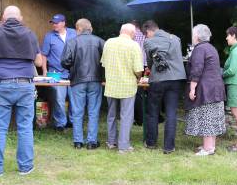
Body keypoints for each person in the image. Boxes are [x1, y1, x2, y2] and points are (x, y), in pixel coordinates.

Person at [0, 6, 41, 177]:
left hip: (2, 84)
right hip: (25, 85)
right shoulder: (30, 34)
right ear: (20, 18)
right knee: (25, 127)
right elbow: (37, 62)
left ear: (4, 18)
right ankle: (25, 167)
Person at [142, 20, 186, 154]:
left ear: (149, 31)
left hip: (158, 80)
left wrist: (149, 69)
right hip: (176, 79)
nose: (146, 37)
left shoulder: (148, 42)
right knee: (171, 112)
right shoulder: (175, 39)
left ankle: (151, 142)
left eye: (146, 34)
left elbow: (150, 63)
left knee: (153, 111)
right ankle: (169, 147)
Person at [61, 18, 105, 149]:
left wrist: (73, 68)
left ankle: (78, 142)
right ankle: (92, 142)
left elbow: (64, 61)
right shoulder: (100, 41)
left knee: (77, 111)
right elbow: (107, 59)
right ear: (90, 28)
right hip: (95, 80)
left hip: (77, 80)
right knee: (93, 111)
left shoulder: (72, 42)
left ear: (78, 29)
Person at [101, 23, 143, 153]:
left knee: (111, 114)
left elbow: (103, 63)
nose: (135, 35)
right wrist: (138, 77)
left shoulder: (108, 42)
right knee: (126, 116)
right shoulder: (134, 45)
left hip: (111, 84)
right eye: (135, 33)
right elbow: (138, 69)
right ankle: (123, 146)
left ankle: (111, 142)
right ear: (131, 33)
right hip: (127, 86)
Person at [185, 24, 226, 155]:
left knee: (206, 117)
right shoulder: (211, 47)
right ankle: (210, 146)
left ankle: (207, 149)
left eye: (193, 34)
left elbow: (196, 69)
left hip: (206, 88)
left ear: (197, 36)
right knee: (212, 117)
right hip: (216, 87)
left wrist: (192, 88)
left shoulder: (199, 49)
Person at [41, 13, 76, 131]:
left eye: (56, 23)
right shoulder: (49, 36)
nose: (54, 25)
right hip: (56, 73)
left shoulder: (74, 33)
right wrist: (45, 70)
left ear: (63, 23)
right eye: (53, 23)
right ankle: (60, 124)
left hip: (73, 73)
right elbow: (44, 55)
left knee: (74, 99)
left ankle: (72, 122)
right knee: (59, 100)